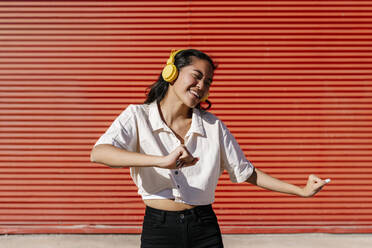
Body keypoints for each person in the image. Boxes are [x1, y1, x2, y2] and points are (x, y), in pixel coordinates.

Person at [90, 49, 329, 248]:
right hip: (159, 227)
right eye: (196, 76)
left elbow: (246, 172)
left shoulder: (213, 126)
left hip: (203, 226)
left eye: (208, 82)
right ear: (170, 73)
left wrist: (301, 191)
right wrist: (160, 160)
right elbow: (100, 153)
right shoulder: (137, 116)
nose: (202, 85)